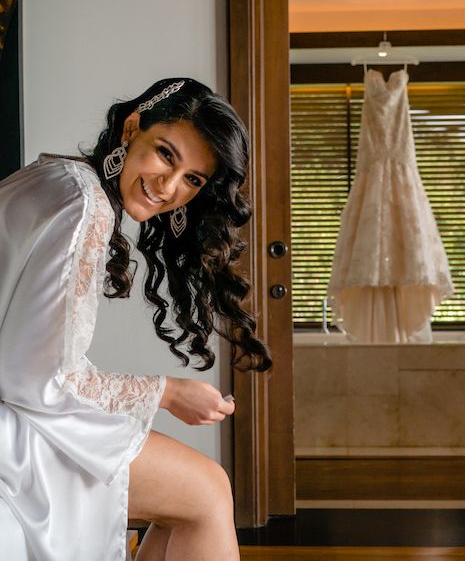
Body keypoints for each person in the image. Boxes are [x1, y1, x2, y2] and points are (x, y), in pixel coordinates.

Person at [0, 78, 271, 560]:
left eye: (193, 179)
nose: (168, 187)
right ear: (130, 130)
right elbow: (37, 377)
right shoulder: (84, 207)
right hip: (13, 418)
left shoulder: (56, 178)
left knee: (198, 494)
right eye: (166, 154)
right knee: (208, 491)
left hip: (14, 404)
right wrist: (165, 392)